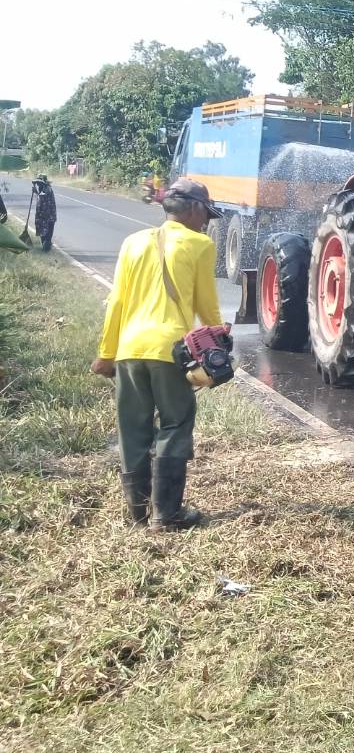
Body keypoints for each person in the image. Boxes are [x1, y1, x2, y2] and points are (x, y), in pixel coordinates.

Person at [90, 179, 226, 529]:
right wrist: (218, 344)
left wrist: (106, 353)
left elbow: (116, 302)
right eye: (206, 214)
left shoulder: (132, 242)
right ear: (194, 209)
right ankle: (166, 514)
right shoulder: (200, 244)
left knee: (132, 428)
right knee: (175, 424)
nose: (206, 222)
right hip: (170, 350)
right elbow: (207, 304)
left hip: (128, 350)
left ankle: (138, 513)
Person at [31, 174, 56, 252]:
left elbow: (42, 198)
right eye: (37, 183)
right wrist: (36, 191)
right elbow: (39, 200)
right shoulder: (42, 188)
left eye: (39, 183)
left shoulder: (46, 189)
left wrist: (35, 192)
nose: (38, 184)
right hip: (43, 215)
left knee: (47, 234)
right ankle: (46, 247)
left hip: (48, 215)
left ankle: (46, 247)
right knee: (42, 232)